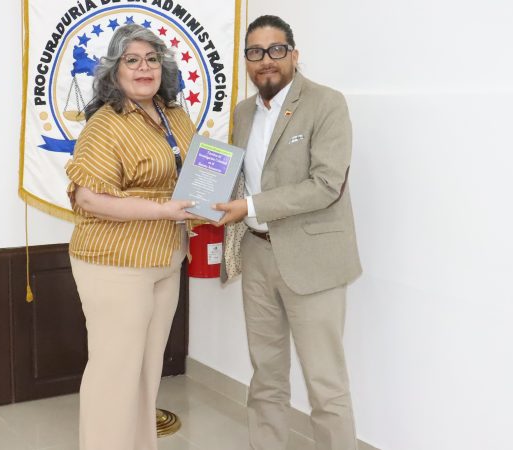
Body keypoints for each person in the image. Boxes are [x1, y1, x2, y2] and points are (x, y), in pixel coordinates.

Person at [214, 15, 363, 450]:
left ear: (294, 55)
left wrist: (250, 207)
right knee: (265, 376)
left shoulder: (325, 103)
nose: (266, 60)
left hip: (312, 261)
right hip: (257, 255)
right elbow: (241, 176)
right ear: (246, 61)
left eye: (276, 50)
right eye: (255, 52)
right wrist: (205, 194)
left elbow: (326, 185)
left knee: (325, 386)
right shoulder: (243, 112)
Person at [64, 24, 197, 450]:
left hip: (166, 257)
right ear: (114, 70)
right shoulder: (106, 124)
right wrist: (162, 210)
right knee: (114, 376)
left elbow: (192, 173)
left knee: (145, 373)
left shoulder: (175, 115)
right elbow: (88, 197)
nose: (144, 68)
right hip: (115, 263)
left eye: (152, 59)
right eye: (132, 60)